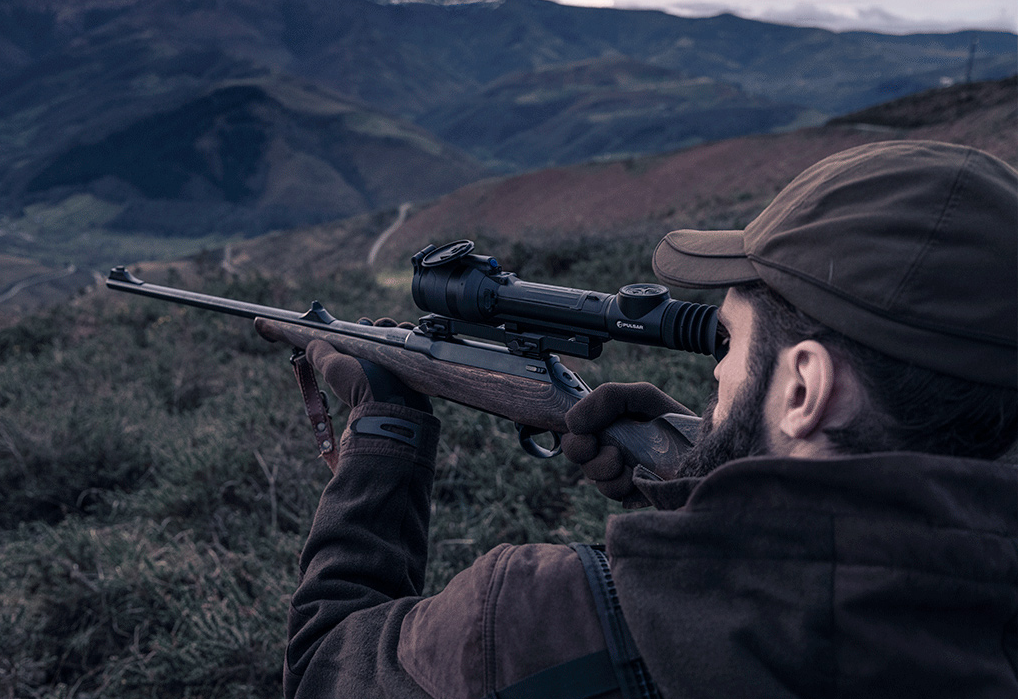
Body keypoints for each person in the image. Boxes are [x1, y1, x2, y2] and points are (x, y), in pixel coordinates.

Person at [270, 140, 1018, 699]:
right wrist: (713, 467)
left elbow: (321, 668)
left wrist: (385, 430)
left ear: (801, 388)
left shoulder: (539, 617)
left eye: (731, 341)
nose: (719, 372)